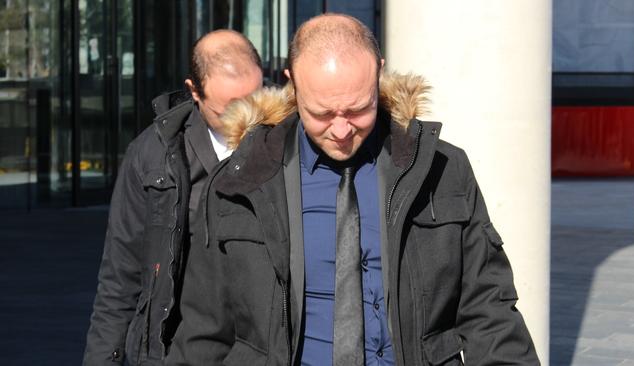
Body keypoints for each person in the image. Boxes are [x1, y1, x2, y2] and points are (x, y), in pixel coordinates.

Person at [166, 14, 539, 366]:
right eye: (323, 114)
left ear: (378, 72)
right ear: (292, 84)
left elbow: (489, 310)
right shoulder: (241, 181)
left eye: (359, 109)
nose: (342, 131)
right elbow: (204, 331)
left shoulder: (443, 170)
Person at [82, 30, 263, 366]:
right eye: (229, 111)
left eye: (254, 103)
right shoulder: (152, 155)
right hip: (172, 352)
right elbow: (119, 281)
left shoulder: (284, 146)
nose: (246, 121)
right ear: (194, 91)